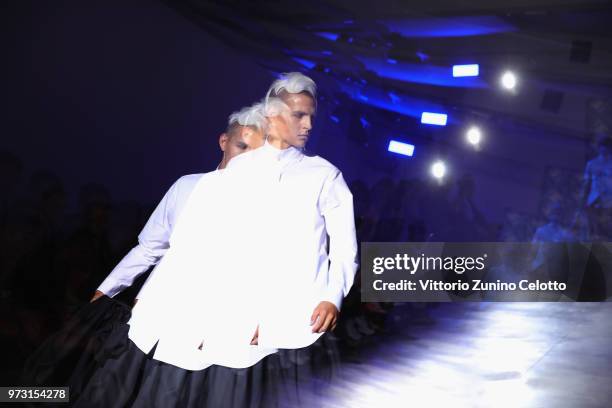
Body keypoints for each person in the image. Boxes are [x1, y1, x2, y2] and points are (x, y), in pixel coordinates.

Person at [70, 72, 357, 407]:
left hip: (249, 333)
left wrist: (330, 296)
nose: (307, 124)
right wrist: (125, 291)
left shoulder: (322, 176)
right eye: (298, 114)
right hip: (172, 321)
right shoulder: (205, 184)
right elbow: (169, 250)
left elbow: (337, 249)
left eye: (311, 116)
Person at [21, 103, 267, 393]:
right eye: (241, 146)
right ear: (223, 142)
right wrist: (108, 288)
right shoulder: (186, 186)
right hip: (151, 313)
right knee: (108, 391)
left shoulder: (261, 204)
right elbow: (149, 247)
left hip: (204, 328)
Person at [580, 136, 612, 240]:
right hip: (594, 199)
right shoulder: (591, 164)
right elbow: (586, 183)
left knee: (606, 228)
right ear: (599, 148)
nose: (604, 149)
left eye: (607, 146)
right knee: (593, 228)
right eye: (602, 146)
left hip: (609, 200)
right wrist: (583, 199)